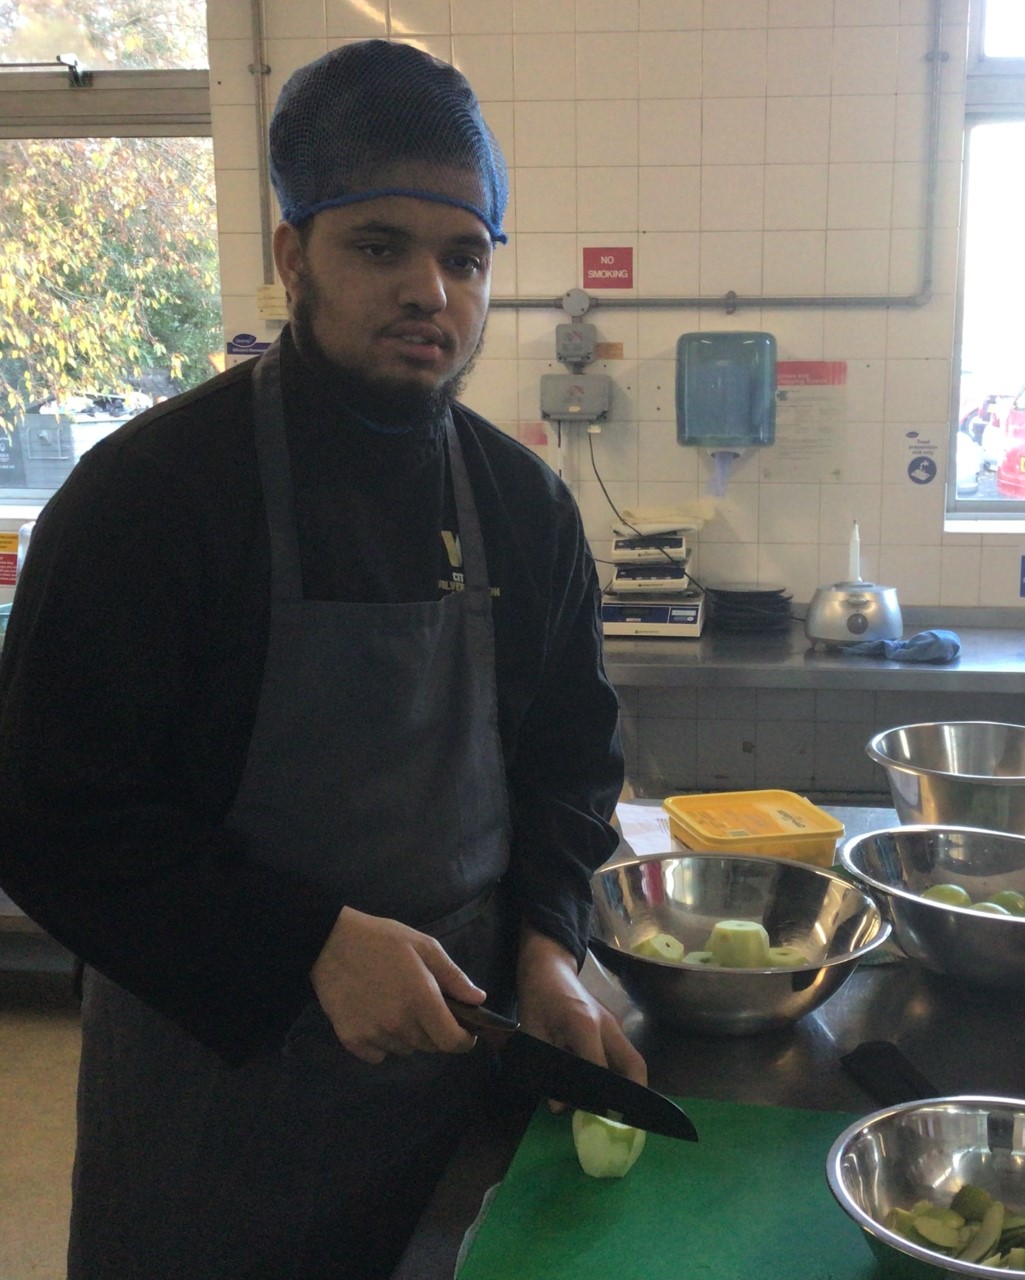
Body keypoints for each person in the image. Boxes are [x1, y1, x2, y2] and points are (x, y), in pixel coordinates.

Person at [0, 40, 643, 1280]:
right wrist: (301, 941)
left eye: (464, 257)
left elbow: (570, 760)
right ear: (293, 253)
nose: (429, 291)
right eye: (378, 246)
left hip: (462, 1088)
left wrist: (548, 949)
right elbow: (47, 817)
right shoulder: (148, 498)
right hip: (215, 1100)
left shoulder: (523, 505)